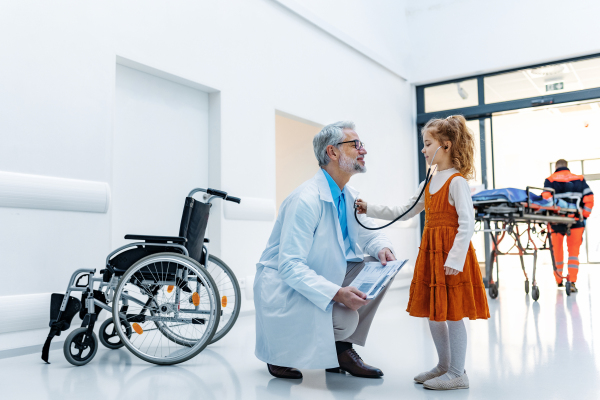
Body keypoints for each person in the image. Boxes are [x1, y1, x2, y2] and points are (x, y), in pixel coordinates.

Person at [355, 115, 489, 391]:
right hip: (432, 253)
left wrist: (454, 259)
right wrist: (369, 208)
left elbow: (467, 224)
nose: (423, 150)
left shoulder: (457, 182)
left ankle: (457, 373)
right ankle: (443, 366)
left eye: (428, 144)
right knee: (435, 312)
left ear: (446, 146)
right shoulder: (429, 182)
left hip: (451, 255)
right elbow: (403, 211)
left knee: (453, 313)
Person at [254, 121, 396, 380]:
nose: (363, 150)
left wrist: (382, 247)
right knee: (345, 320)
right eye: (355, 145)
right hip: (285, 287)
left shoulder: (348, 194)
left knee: (382, 267)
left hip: (322, 273)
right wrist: (337, 293)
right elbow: (289, 266)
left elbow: (368, 232)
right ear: (332, 152)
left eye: (361, 144)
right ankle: (279, 351)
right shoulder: (305, 200)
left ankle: (340, 350)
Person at [542, 159, 594, 292]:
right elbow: (589, 198)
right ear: (567, 166)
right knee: (573, 253)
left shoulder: (550, 180)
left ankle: (559, 279)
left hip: (556, 222)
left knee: (557, 251)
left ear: (556, 167)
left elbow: (546, 199)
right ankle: (571, 282)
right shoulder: (579, 179)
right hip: (576, 222)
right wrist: (584, 215)